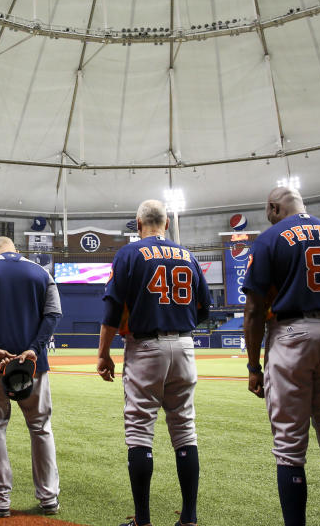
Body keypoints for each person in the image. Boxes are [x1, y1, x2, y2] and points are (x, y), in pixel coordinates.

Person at [242, 187, 320, 526]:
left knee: (289, 446)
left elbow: (254, 311)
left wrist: (254, 366)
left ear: (273, 206)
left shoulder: (270, 239)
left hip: (290, 335)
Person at [97, 200, 210, 526]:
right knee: (185, 430)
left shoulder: (129, 254)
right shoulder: (188, 256)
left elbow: (112, 308)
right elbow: (204, 308)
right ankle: (189, 518)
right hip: (185, 345)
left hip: (145, 347)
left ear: (138, 223)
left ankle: (143, 521)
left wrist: (104, 352)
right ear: (167, 225)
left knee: (139, 433)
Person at [0, 236, 62, 518]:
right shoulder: (41, 272)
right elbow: (53, 314)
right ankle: (49, 498)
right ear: (16, 249)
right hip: (34, 365)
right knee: (41, 427)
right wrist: (33, 349)